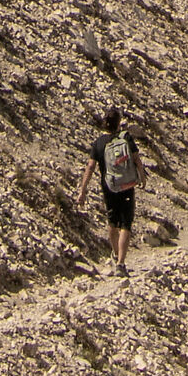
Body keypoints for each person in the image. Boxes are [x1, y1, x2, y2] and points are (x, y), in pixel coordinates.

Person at [76, 104, 145, 274]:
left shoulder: (98, 143)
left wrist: (83, 190)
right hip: (127, 185)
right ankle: (121, 263)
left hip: (109, 187)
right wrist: (142, 176)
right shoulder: (126, 137)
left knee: (113, 223)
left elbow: (90, 167)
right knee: (126, 224)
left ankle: (115, 254)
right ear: (119, 122)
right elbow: (136, 159)